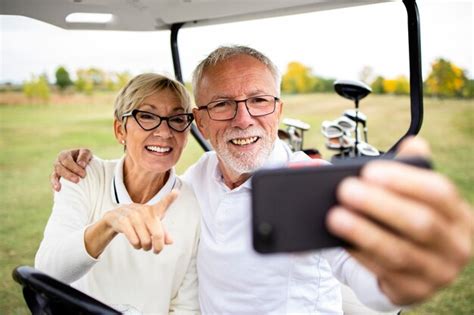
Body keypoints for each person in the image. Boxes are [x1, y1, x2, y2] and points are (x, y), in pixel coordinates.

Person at [50, 46, 473, 314]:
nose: (243, 118)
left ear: (279, 109)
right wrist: (74, 161)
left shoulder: (311, 184)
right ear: (199, 120)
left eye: (258, 101)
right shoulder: (192, 182)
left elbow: (362, 273)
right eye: (222, 104)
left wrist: (393, 280)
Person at [36, 73, 201, 314]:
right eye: (146, 116)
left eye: (177, 119)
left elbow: (186, 307)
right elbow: (49, 272)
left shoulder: (194, 204)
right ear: (120, 129)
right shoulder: (84, 176)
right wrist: (109, 223)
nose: (164, 132)